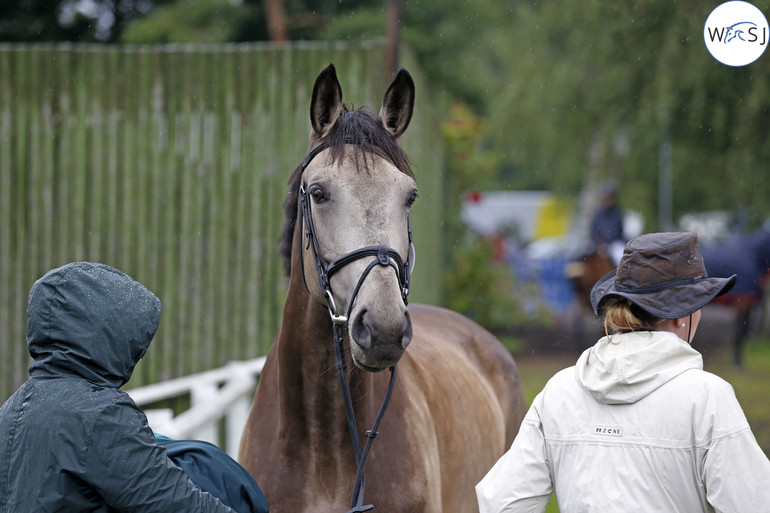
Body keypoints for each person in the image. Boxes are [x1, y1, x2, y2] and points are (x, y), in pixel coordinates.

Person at [476, 232, 770, 512]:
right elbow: (754, 503)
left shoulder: (559, 390)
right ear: (682, 315)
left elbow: (503, 502)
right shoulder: (708, 398)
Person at [0, 262, 264, 512]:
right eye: (135, 345)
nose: (139, 356)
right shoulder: (101, 417)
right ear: (107, 339)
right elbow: (177, 503)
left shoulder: (9, 412)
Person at [590, 185, 625, 264]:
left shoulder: (617, 213)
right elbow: (594, 230)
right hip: (599, 245)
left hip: (614, 244)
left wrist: (607, 241)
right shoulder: (598, 214)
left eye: (607, 198)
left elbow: (617, 231)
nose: (606, 201)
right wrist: (598, 241)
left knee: (620, 257)